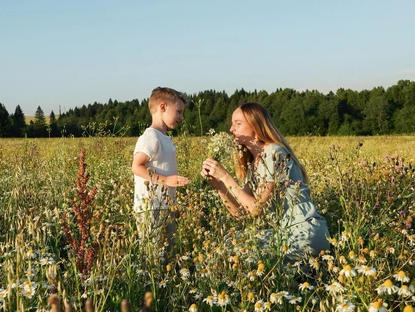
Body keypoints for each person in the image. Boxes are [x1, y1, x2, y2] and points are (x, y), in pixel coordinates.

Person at [201, 102, 330, 262]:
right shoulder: (253, 164)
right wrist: (220, 186)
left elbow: (256, 210)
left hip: (304, 231)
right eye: (232, 124)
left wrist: (226, 178)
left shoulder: (275, 153)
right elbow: (241, 214)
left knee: (243, 253)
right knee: (228, 244)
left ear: (256, 127)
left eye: (238, 124)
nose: (231, 129)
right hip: (284, 232)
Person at [132, 87, 190, 252]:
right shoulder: (151, 136)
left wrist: (173, 204)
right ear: (163, 107)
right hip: (151, 207)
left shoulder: (164, 138)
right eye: (178, 112)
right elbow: (136, 166)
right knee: (154, 255)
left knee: (170, 253)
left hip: (165, 206)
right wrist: (165, 180)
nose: (181, 117)